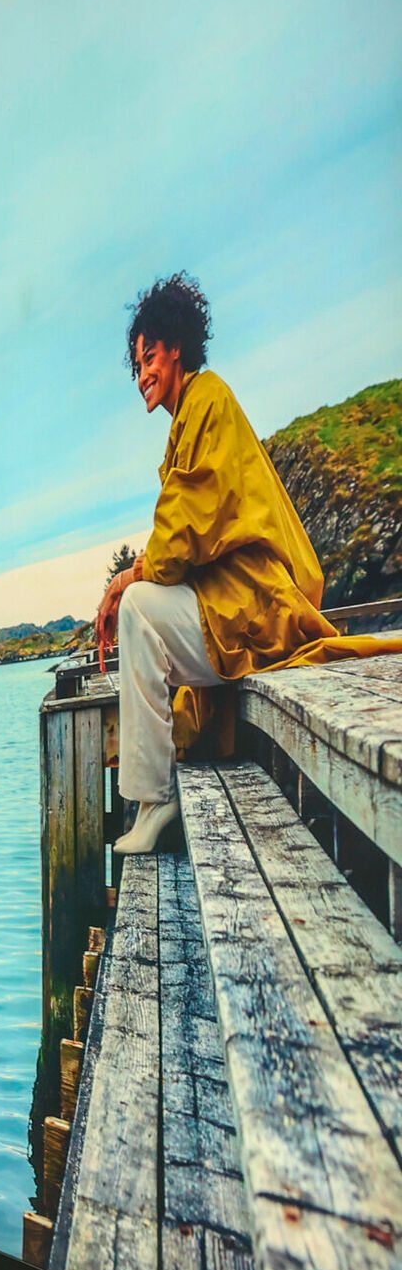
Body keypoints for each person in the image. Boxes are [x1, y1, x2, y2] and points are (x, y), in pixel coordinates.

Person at [92, 274, 390, 854]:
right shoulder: (191, 414)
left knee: (138, 608)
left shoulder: (207, 399)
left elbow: (183, 534)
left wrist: (124, 580)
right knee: (139, 609)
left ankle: (154, 799)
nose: (142, 374)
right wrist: (132, 577)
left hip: (250, 607)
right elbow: (181, 534)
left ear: (176, 348)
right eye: (137, 366)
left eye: (149, 358)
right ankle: (152, 796)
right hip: (232, 604)